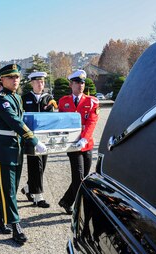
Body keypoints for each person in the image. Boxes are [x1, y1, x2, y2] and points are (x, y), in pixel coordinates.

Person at [0, 64, 47, 244]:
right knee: (9, 189)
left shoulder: (16, 98)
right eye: (11, 77)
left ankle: (0, 219)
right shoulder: (2, 99)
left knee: (10, 188)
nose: (15, 80)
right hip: (5, 149)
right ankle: (15, 225)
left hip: (16, 147)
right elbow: (15, 122)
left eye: (17, 77)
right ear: (3, 80)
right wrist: (34, 140)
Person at [57, 69, 100, 215]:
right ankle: (80, 208)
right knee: (79, 177)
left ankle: (66, 201)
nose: (80, 85)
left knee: (83, 176)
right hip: (72, 145)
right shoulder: (63, 102)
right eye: (77, 82)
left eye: (82, 82)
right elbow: (61, 122)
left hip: (86, 144)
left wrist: (84, 139)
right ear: (71, 84)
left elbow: (92, 122)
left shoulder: (92, 101)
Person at [20, 71, 57, 208]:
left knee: (42, 166)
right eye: (37, 82)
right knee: (35, 165)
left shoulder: (49, 98)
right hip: (31, 137)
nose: (40, 84)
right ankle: (38, 197)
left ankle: (29, 188)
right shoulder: (25, 98)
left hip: (45, 137)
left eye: (42, 82)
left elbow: (52, 118)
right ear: (32, 83)